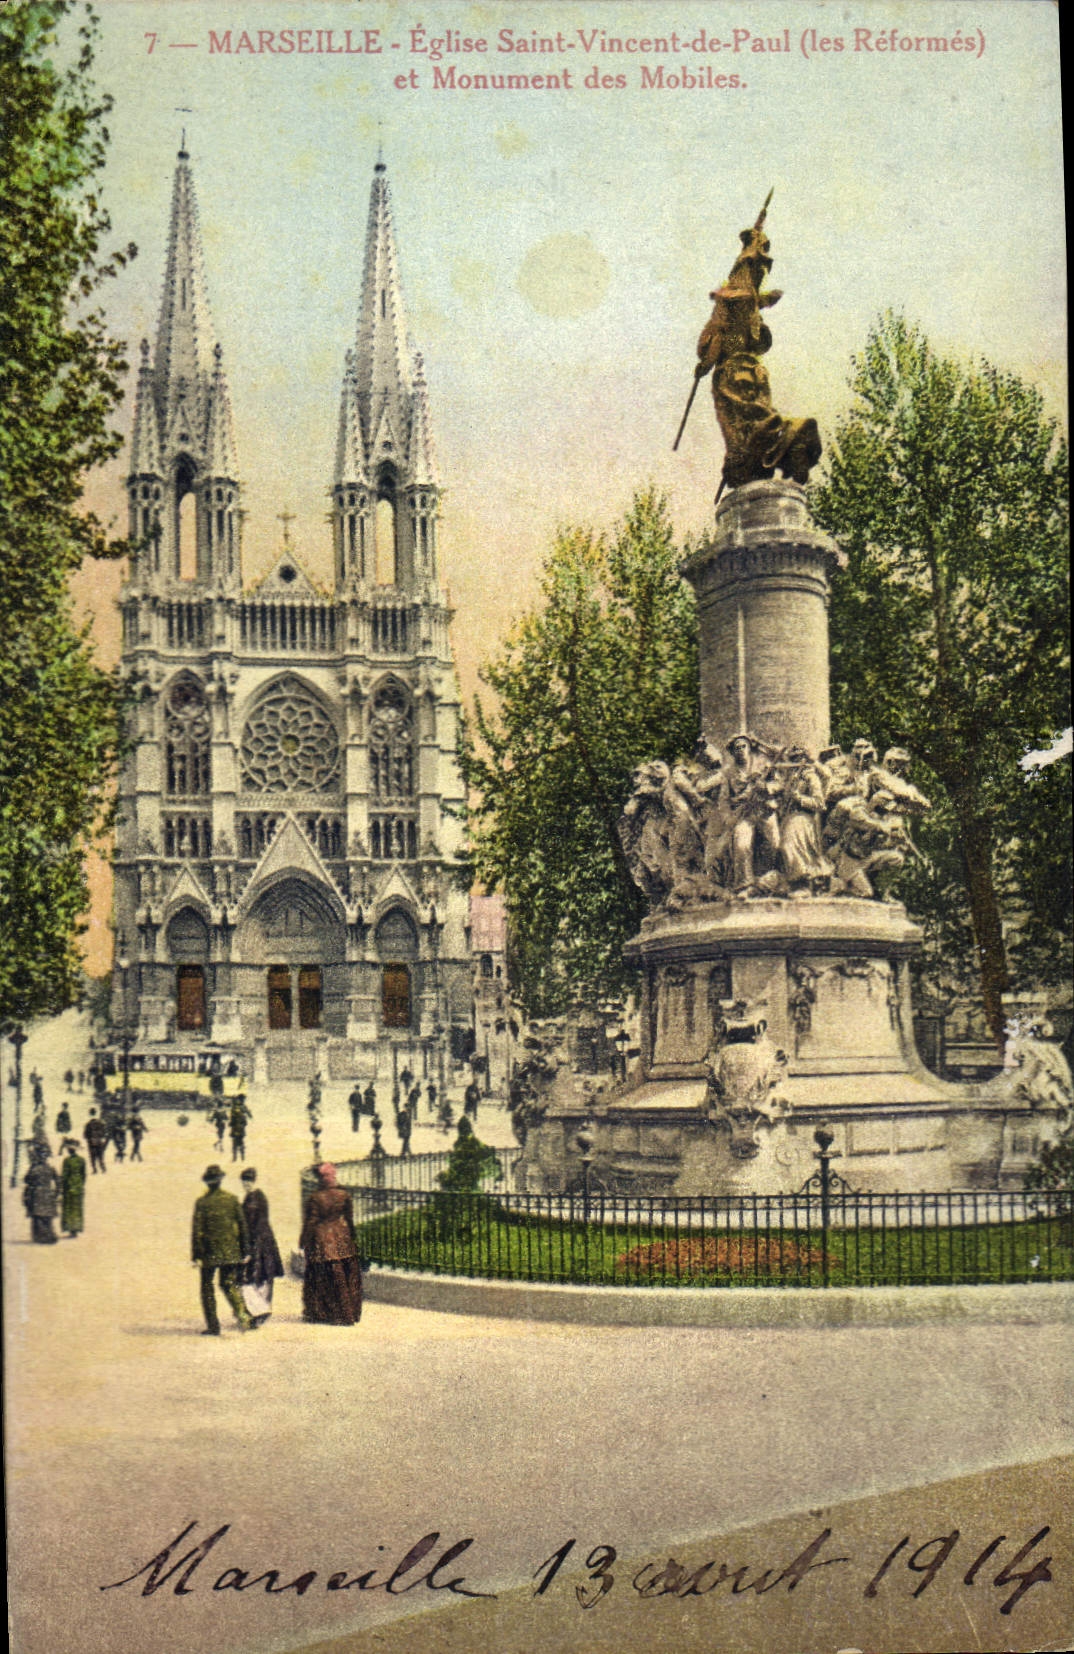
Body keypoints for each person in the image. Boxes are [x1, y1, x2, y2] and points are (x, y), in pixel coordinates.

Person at [191, 1165, 254, 1336]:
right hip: (230, 1251)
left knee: (207, 1287)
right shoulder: (232, 1199)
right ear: (220, 1181)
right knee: (229, 1284)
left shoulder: (202, 1203)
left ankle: (213, 1326)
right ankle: (243, 1315)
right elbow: (242, 1226)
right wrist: (245, 1250)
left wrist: (196, 1255)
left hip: (209, 1252)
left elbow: (197, 1231)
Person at [299, 1163, 363, 1326]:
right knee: (345, 1275)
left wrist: (304, 1240)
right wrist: (352, 1237)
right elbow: (349, 1218)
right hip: (342, 1236)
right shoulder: (343, 1194)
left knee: (323, 1276)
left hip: (322, 1239)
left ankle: (324, 1313)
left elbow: (311, 1221)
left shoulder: (315, 1197)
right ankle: (350, 1313)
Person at [239, 1167, 283, 1325]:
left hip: (261, 1241)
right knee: (257, 1276)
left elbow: (258, 1222)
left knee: (260, 1276)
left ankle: (261, 1311)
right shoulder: (250, 1198)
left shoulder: (257, 1197)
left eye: (249, 1182)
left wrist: (251, 1246)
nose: (246, 1185)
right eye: (244, 1182)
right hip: (259, 1240)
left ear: (253, 1181)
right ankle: (258, 1310)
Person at [23, 1145, 60, 1244]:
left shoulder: (34, 1168)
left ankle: (40, 1237)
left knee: (38, 1217)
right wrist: (55, 1193)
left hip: (37, 1194)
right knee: (47, 1217)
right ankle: (49, 1235)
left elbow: (26, 1180)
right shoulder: (51, 1168)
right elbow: (58, 1181)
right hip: (48, 1194)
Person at [60, 1140, 86, 1238]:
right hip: (78, 1186)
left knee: (69, 1208)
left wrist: (63, 1186)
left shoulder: (67, 1161)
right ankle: (76, 1227)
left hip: (69, 1186)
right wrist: (81, 1184)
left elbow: (64, 1175)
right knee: (77, 1208)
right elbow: (83, 1174)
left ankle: (71, 1229)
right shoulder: (82, 1160)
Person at [83, 1108, 108, 1174]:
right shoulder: (101, 1123)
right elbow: (104, 1133)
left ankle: (94, 1169)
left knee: (92, 1156)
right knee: (100, 1156)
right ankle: (103, 1168)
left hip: (91, 1142)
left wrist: (90, 1138)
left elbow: (85, 1135)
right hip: (99, 1142)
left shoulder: (88, 1124)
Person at [229, 1095, 251, 1162]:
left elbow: (232, 1118)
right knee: (240, 1142)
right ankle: (241, 1157)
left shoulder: (235, 1107)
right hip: (239, 1128)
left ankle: (237, 1158)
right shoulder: (242, 1107)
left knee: (236, 1143)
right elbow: (249, 1115)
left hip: (236, 1128)